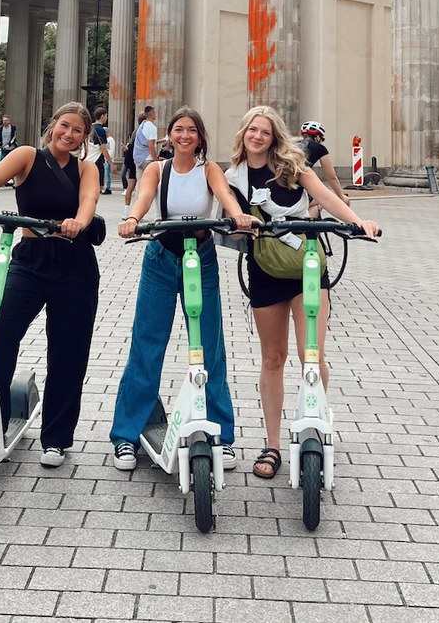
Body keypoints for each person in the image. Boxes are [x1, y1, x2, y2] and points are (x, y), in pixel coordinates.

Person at [0, 102, 101, 468]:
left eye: (78, 131)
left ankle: (56, 439)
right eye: (64, 126)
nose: (69, 134)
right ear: (53, 126)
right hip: (29, 260)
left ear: (84, 137)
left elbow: (89, 199)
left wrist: (78, 220)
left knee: (68, 352)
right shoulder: (27, 157)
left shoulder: (87, 168)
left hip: (74, 265)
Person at [226, 106, 379, 481]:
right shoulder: (234, 176)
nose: (257, 136)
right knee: (273, 358)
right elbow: (230, 218)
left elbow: (326, 198)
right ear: (243, 133)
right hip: (264, 270)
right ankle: (273, 444)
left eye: (264, 131)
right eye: (252, 130)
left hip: (308, 267)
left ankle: (313, 422)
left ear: (274, 135)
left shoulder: (293, 165)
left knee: (312, 353)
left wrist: (359, 223)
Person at [110, 106, 254, 471]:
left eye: (191, 130)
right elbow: (144, 197)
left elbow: (225, 195)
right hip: (161, 257)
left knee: (209, 348)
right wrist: (131, 218)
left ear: (200, 137)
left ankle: (221, 434)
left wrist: (237, 213)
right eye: (178, 129)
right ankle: (126, 436)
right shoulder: (158, 169)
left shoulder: (210, 170)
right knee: (147, 344)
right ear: (169, 136)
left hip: (201, 258)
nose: (185, 135)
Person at [298, 121, 347, 205]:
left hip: (277, 193)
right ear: (317, 137)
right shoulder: (319, 148)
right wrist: (341, 197)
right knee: (326, 198)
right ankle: (311, 218)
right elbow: (331, 177)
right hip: (295, 197)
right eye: (322, 139)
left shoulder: (292, 144)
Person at [120, 115, 143, 218]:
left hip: (131, 160)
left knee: (131, 185)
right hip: (138, 160)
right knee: (139, 187)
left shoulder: (135, 132)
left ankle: (126, 210)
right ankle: (136, 211)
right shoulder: (142, 131)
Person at [89, 108, 116, 195]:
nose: (106, 118)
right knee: (99, 184)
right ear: (102, 117)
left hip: (88, 158)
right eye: (106, 116)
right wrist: (111, 163)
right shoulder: (101, 130)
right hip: (97, 159)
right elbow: (103, 148)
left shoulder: (90, 128)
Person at [132, 105, 159, 179]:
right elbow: (151, 147)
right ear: (152, 114)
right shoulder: (152, 128)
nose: (155, 114)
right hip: (147, 158)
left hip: (138, 157)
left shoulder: (141, 126)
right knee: (149, 181)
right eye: (155, 112)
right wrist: (155, 160)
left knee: (140, 182)